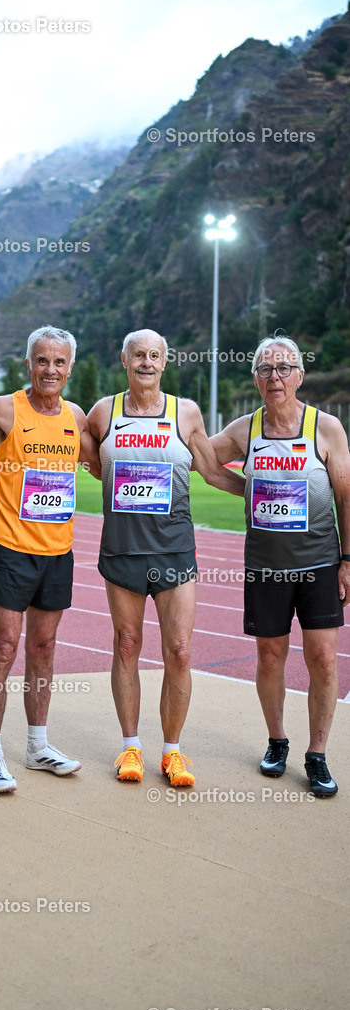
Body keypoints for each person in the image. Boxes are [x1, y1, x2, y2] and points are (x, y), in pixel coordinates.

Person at [0, 324, 98, 794]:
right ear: (27, 365)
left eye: (59, 362)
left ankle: (37, 747)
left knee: (43, 651)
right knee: (4, 650)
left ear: (70, 368)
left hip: (57, 552)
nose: (51, 369)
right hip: (10, 549)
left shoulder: (75, 415)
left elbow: (102, 466)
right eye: (42, 361)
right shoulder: (5, 409)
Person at [87, 329, 245, 788]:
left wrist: (258, 494)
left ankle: (173, 752)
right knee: (126, 646)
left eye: (155, 355)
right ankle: (130, 747)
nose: (147, 363)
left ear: (165, 361)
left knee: (179, 651)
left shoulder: (186, 412)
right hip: (122, 550)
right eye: (139, 355)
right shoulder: (104, 412)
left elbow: (213, 471)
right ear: (124, 359)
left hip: (175, 549)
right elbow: (86, 456)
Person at [211, 335, 350, 797]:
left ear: (300, 376)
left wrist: (347, 561)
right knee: (270, 657)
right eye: (266, 369)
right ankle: (276, 742)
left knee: (323, 660)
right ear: (255, 378)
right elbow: (201, 458)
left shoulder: (325, 428)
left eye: (283, 368)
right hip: (266, 566)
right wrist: (244, 488)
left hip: (320, 565)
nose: (275, 377)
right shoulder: (245, 429)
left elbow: (346, 498)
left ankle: (317, 755)